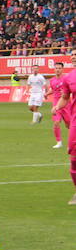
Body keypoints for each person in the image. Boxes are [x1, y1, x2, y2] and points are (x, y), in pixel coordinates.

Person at [51, 50, 76, 205]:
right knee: (73, 158)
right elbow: (65, 97)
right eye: (72, 54)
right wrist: (57, 107)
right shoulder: (69, 77)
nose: (73, 56)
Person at [49, 61, 69, 149]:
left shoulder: (67, 78)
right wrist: (46, 94)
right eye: (56, 68)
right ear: (54, 69)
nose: (57, 70)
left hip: (66, 104)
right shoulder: (52, 80)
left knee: (69, 125)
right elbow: (53, 90)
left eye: (59, 68)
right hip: (56, 104)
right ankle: (59, 142)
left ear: (62, 69)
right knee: (56, 122)